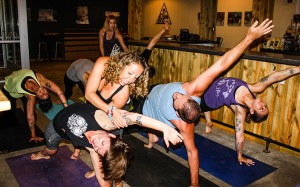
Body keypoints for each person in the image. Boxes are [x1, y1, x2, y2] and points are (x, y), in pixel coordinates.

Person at [133, 19, 274, 186]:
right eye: (183, 96)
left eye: (177, 100)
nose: (177, 94)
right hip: (156, 88)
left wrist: (194, 183)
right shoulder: (194, 90)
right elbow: (222, 64)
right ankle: (152, 138)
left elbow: (192, 152)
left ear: (178, 114)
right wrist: (249, 38)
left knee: (140, 116)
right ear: (192, 98)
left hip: (147, 106)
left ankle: (151, 135)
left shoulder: (183, 126)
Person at [30, 102, 183, 187]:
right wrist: (164, 128)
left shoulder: (94, 149)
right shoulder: (104, 122)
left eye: (98, 149)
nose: (95, 143)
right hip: (54, 126)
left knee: (53, 153)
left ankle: (46, 153)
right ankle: (43, 154)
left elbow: (103, 182)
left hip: (60, 132)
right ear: (110, 134)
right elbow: (132, 117)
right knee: (48, 152)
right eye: (102, 142)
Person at [201, 65, 300, 166]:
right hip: (214, 81)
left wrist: (240, 156)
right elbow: (275, 77)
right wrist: (298, 69)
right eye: (265, 106)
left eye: (261, 108)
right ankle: (209, 123)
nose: (262, 104)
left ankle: (208, 122)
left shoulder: (240, 111)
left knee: (193, 106)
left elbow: (239, 136)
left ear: (252, 111)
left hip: (208, 99)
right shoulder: (255, 89)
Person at [1, 69, 68, 142]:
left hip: (22, 90)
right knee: (9, 113)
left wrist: (33, 135)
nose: (43, 92)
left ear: (37, 97)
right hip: (10, 89)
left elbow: (30, 117)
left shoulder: (31, 96)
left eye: (42, 96)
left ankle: (29, 132)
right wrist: (67, 109)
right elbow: (59, 92)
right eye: (46, 93)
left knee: (31, 114)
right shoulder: (41, 79)